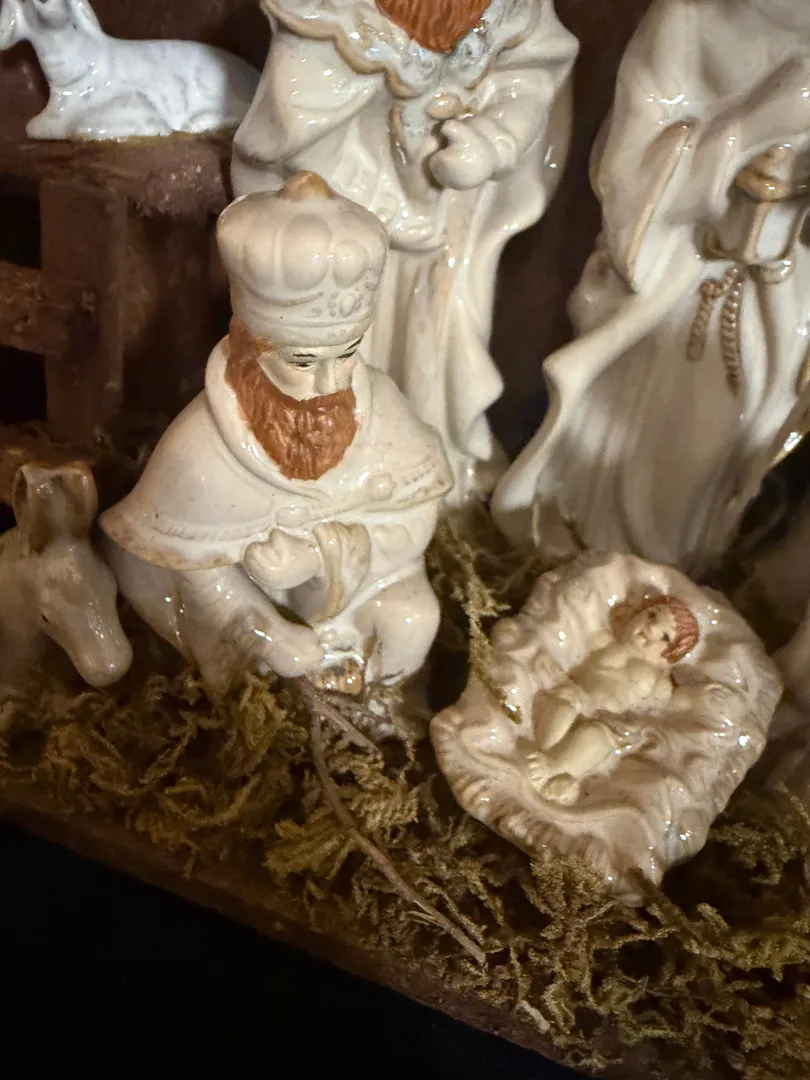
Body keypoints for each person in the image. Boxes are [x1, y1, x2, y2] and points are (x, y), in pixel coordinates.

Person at [101, 172, 453, 696]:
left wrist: (321, 557)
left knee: (413, 617)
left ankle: (377, 711)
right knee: (276, 670)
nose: (327, 385)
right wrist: (267, 630)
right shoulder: (202, 447)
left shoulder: (381, 408)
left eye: (346, 355)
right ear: (250, 347)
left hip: (364, 587)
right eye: (302, 362)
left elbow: (416, 514)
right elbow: (181, 563)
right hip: (259, 604)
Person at [493, 0, 810, 573]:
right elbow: (632, 161)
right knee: (635, 432)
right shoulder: (689, 19)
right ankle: (590, 558)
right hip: (678, 273)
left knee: (722, 440)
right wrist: (737, 140)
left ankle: (678, 574)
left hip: (776, 294)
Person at [231, 0, 578, 502]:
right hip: (349, 227)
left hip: (450, 225)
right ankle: (348, 474)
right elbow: (294, 129)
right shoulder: (331, 17)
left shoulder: (510, 9)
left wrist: (493, 141)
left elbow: (531, 76)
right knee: (347, 350)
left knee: (440, 339)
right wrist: (379, 206)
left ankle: (433, 460)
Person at [527, 594, 700, 805]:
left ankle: (563, 771)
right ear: (636, 613)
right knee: (564, 705)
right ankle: (545, 753)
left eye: (665, 637)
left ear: (668, 656)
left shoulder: (658, 681)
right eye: (652, 615)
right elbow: (574, 646)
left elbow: (660, 709)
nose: (652, 628)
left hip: (609, 721)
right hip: (578, 696)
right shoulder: (604, 641)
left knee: (597, 739)